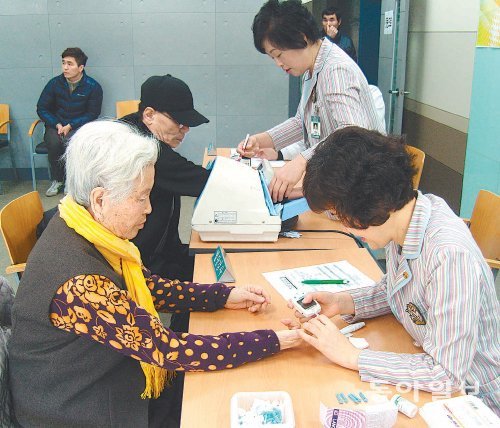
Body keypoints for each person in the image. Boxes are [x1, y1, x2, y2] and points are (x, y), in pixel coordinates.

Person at [8, 121, 301, 427]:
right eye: (140, 197)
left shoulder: (81, 223)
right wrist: (274, 340)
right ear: (99, 198)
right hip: (78, 408)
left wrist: (223, 295)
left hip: (103, 376)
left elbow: (148, 287)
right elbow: (166, 349)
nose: (148, 208)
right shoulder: (80, 283)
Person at [290, 126, 500, 415]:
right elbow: (397, 289)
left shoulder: (448, 255)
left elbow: (446, 375)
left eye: (341, 217)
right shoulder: (407, 218)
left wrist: (354, 356)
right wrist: (343, 302)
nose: (344, 227)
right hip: (431, 365)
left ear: (371, 202)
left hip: (476, 401)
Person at [237, 0, 383, 203]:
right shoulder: (311, 69)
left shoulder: (335, 70)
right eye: (273, 58)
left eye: (278, 55)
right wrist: (262, 140)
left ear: (301, 37)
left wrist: (301, 161)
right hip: (337, 184)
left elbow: (352, 136)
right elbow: (301, 122)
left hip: (361, 192)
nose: (279, 63)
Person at [121, 74, 209, 283]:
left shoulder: (130, 128)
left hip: (155, 252)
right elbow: (204, 182)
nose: (185, 129)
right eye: (179, 121)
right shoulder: (141, 150)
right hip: (136, 265)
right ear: (149, 115)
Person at [37, 47, 103, 197]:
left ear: (81, 68)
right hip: (56, 125)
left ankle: (71, 181)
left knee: (71, 143)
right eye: (63, 63)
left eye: (70, 64)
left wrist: (71, 125)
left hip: (78, 126)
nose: (65, 67)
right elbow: (42, 108)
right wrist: (57, 124)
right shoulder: (54, 84)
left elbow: (93, 113)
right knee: (53, 143)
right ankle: (57, 180)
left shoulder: (93, 86)